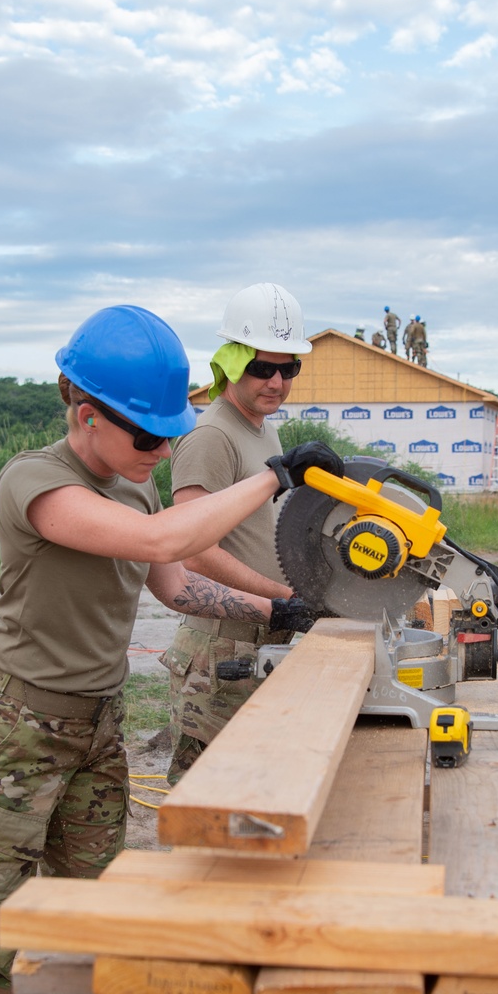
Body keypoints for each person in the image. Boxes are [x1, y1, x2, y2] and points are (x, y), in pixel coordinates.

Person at [0, 302, 341, 994]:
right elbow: (162, 537)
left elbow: (175, 583)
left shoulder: (133, 482)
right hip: (8, 732)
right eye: (149, 439)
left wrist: (277, 610)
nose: (160, 453)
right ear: (86, 415)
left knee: (91, 901)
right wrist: (275, 478)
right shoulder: (33, 482)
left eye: (167, 439)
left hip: (93, 726)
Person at [164, 283, 314, 783]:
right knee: (209, 796)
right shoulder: (212, 435)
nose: (276, 381)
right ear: (232, 363)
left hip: (264, 635)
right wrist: (283, 596)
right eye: (262, 368)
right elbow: (193, 551)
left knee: (258, 788)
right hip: (221, 648)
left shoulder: (263, 426)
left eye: (288, 368)